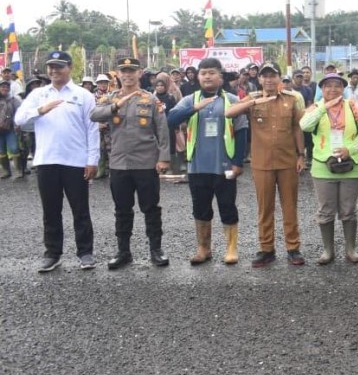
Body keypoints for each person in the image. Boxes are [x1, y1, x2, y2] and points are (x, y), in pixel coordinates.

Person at [15, 51, 100, 272]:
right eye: (51, 67)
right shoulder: (39, 94)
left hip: (76, 161)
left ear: (70, 68)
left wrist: (92, 160)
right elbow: (19, 119)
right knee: (50, 210)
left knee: (80, 210)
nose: (54, 71)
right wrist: (40, 110)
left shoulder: (83, 95)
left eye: (59, 66)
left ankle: (85, 252)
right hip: (46, 160)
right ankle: (52, 254)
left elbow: (92, 130)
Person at [90, 58, 171, 269]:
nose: (127, 75)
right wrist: (115, 106)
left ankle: (156, 250)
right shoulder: (110, 98)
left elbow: (162, 130)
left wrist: (163, 158)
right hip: (119, 163)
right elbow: (94, 115)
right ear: (118, 74)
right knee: (122, 209)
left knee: (151, 208)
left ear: (140, 73)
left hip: (146, 163)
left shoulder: (151, 99)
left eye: (132, 71)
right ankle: (123, 252)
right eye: (123, 71)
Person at [167, 57, 249, 266]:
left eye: (212, 73)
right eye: (203, 73)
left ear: (221, 77)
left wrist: (238, 162)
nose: (207, 77)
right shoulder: (190, 99)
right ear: (198, 77)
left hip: (224, 165)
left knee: (227, 206)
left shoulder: (232, 99)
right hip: (197, 166)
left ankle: (231, 249)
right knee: (200, 208)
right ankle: (204, 248)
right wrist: (195, 108)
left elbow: (242, 131)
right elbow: (170, 120)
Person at [226, 61, 307, 267]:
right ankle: (266, 249)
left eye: (273, 75)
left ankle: (293, 248)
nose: (269, 79)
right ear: (260, 79)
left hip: (288, 161)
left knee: (290, 206)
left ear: (279, 78)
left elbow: (297, 128)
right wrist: (254, 102)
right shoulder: (252, 98)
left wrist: (301, 155)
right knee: (265, 208)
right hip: (262, 162)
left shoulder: (291, 99)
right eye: (265, 76)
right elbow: (229, 112)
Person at [299, 72, 358, 264]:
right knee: (326, 210)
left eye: (337, 85)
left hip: (351, 165)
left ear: (343, 88)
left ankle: (351, 249)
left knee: (349, 210)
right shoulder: (316, 108)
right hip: (323, 167)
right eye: (328, 86)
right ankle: (328, 251)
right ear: (321, 89)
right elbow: (304, 125)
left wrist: (350, 149)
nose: (333, 89)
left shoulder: (352, 106)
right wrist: (324, 106)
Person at [0, 80, 23, 179]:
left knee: (14, 148)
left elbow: (19, 112)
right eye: (2, 87)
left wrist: (17, 124)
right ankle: (6, 171)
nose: (5, 89)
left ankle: (19, 170)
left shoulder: (14, 99)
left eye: (7, 87)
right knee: (1, 151)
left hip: (10, 129)